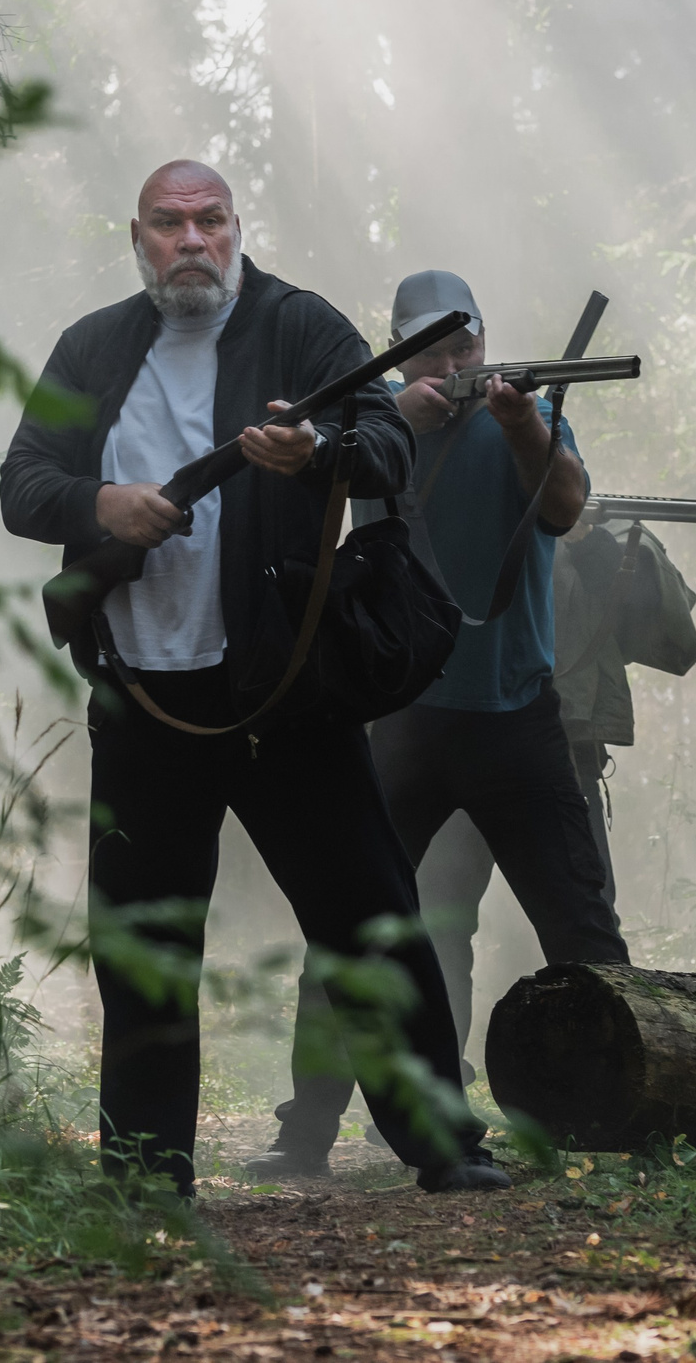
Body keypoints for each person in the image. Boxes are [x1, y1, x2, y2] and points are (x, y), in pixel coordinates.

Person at [0, 161, 507, 1199]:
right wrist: (104, 506)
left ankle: (444, 1145)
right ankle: (145, 1170)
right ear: (137, 236)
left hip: (284, 690)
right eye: (168, 222)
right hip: (141, 696)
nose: (191, 239)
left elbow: (386, 448)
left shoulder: (302, 326)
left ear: (237, 228)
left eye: (210, 220)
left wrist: (315, 446)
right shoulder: (89, 347)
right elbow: (23, 481)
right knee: (142, 940)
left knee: (368, 914)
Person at [247, 268, 631, 1179]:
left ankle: (628, 1114)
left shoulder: (525, 418)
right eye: (436, 349)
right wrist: (403, 422)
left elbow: (568, 507)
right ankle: (307, 1131)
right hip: (403, 719)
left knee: (582, 926)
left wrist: (519, 422)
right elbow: (314, 503)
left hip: (517, 717)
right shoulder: (373, 420)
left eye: (467, 345)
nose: (458, 361)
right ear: (404, 354)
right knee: (350, 929)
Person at [401, 507, 696, 1065]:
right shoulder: (451, 516)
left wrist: (587, 538)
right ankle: (434, 1084)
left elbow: (665, 630)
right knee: (440, 921)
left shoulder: (602, 534)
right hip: (449, 744)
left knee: (583, 924)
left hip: (559, 754)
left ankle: (608, 1079)